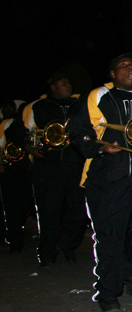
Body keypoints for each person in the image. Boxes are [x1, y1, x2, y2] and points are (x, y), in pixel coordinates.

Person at [70, 53, 132, 312]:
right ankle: (107, 291)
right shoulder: (98, 96)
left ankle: (129, 272)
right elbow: (78, 132)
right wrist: (102, 148)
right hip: (106, 176)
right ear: (113, 74)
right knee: (110, 236)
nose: (130, 68)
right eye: (123, 66)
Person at [10, 71, 87, 265]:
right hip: (47, 167)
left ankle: (69, 246)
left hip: (75, 166)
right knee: (48, 212)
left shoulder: (80, 105)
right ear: (52, 86)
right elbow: (16, 131)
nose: (68, 86)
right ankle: (47, 252)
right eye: (63, 83)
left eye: (69, 82)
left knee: (78, 213)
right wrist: (30, 148)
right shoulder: (36, 106)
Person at [0, 101, 33, 254]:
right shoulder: (7, 124)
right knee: (12, 207)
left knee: (22, 207)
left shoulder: (31, 126)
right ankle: (15, 241)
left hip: (28, 172)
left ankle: (16, 235)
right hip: (11, 171)